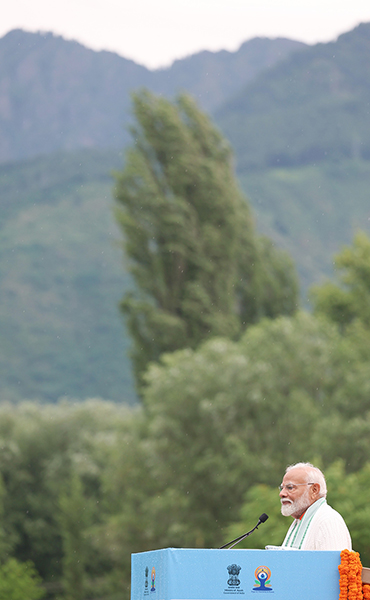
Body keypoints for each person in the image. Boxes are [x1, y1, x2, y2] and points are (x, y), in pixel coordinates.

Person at [278, 462, 352, 551]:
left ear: (314, 490)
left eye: (290, 487)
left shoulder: (328, 520)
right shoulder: (300, 520)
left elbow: (332, 564)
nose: (281, 494)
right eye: (282, 488)